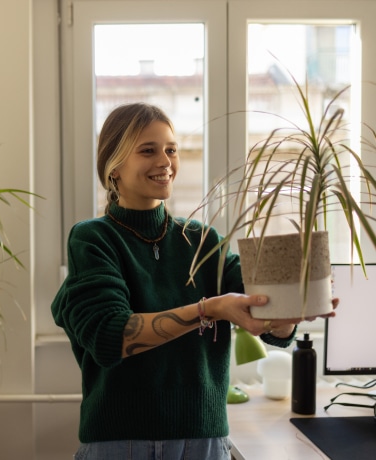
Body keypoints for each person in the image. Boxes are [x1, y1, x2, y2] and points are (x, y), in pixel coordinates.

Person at [51, 102, 337, 460]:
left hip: (203, 440)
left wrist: (295, 307)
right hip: (119, 442)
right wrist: (210, 308)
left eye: (171, 150)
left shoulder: (202, 239)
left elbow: (261, 314)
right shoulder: (93, 239)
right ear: (114, 166)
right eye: (148, 150)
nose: (165, 162)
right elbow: (113, 335)